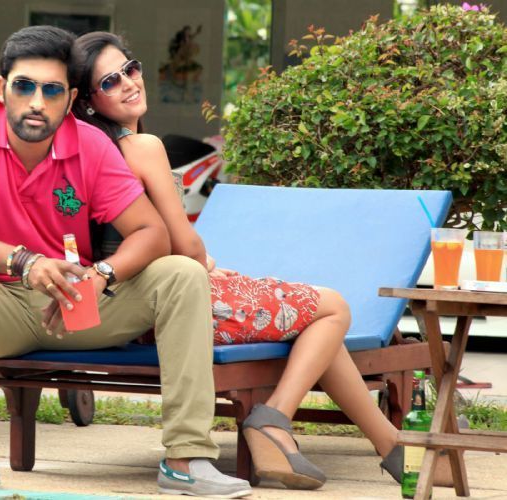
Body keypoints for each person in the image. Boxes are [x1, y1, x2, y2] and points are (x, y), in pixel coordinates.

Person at [0, 25, 252, 498]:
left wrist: (102, 274)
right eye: (24, 86)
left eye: (52, 91)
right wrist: (25, 261)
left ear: (70, 99)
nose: (36, 102)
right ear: (2, 88)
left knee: (182, 273)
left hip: (75, 306)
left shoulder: (89, 143)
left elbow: (151, 232)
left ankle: (186, 458)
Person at [71, 31, 413, 490]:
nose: (130, 82)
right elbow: (185, 244)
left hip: (130, 309)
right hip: (174, 304)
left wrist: (208, 264)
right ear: (89, 101)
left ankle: (390, 444)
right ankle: (274, 422)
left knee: (313, 325)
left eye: (130, 69)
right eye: (110, 81)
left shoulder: (88, 153)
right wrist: (207, 265)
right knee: (332, 307)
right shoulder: (141, 147)